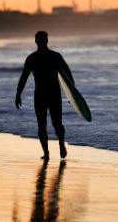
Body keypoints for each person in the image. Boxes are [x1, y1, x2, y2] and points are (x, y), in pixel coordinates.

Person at [15, 31, 75, 160]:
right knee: (53, 123)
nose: (40, 42)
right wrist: (72, 95)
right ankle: (55, 147)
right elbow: (68, 75)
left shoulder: (34, 58)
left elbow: (23, 78)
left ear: (39, 41)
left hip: (43, 94)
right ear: (45, 41)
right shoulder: (54, 56)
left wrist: (18, 94)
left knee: (46, 124)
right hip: (51, 94)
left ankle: (50, 150)